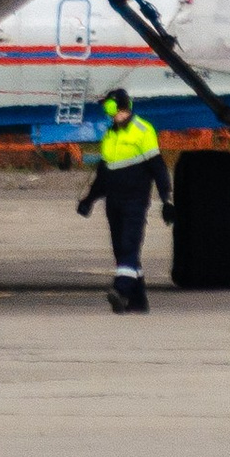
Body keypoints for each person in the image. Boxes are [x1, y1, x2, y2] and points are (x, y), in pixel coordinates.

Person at [77, 88, 172, 313]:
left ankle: (120, 290)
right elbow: (104, 172)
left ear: (123, 107)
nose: (109, 114)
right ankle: (138, 302)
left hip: (135, 200)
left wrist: (166, 199)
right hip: (114, 201)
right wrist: (89, 199)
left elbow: (158, 167)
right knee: (121, 250)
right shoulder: (110, 134)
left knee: (130, 245)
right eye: (106, 110)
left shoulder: (143, 131)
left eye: (111, 108)